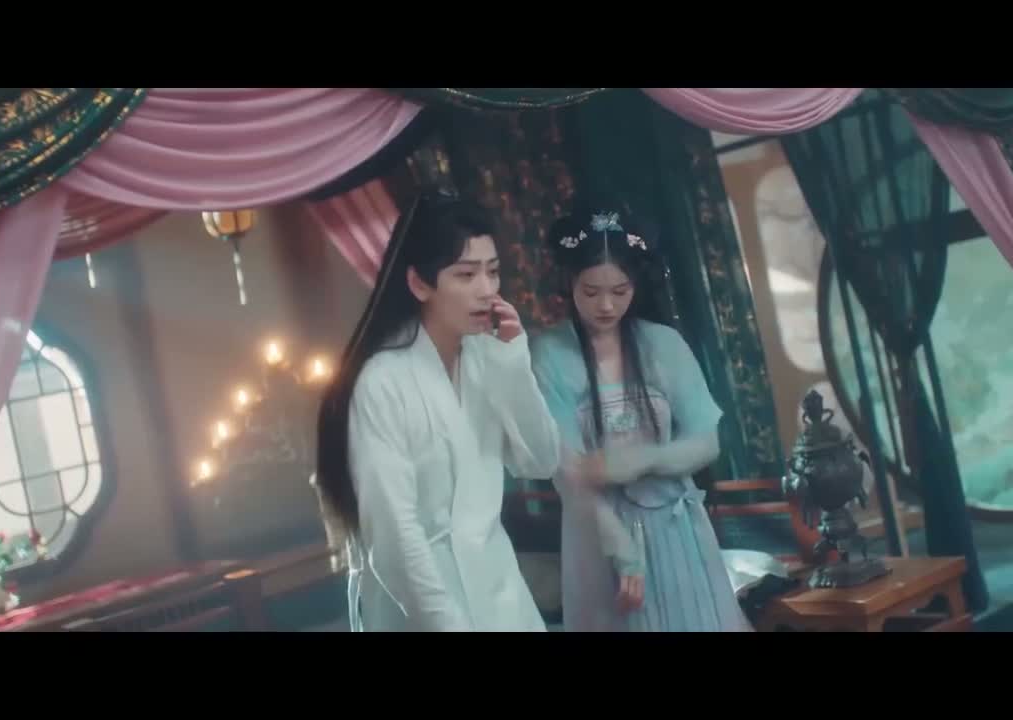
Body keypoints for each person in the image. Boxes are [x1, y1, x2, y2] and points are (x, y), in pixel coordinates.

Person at [315, 189, 561, 632]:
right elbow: (393, 532)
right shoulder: (382, 381)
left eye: (493, 271)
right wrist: (448, 624)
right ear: (419, 283)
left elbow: (540, 461)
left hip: (499, 590)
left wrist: (514, 363)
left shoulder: (489, 357)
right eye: (466, 274)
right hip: (421, 598)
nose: (487, 290)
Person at [528, 205, 752, 632]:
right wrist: (620, 546)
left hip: (674, 525)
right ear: (569, 283)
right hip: (597, 528)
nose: (606, 305)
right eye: (591, 291)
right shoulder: (549, 354)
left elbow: (707, 441)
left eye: (620, 290)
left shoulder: (663, 344)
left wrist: (641, 459)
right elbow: (567, 470)